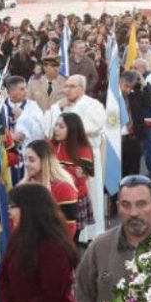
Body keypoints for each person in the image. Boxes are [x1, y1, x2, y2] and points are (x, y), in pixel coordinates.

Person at [43, 75, 105, 243]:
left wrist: (70, 117)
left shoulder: (93, 105)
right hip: (60, 155)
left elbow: (95, 125)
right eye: (66, 86)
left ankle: (90, 234)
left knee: (88, 193)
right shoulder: (59, 106)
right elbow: (48, 128)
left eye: (71, 86)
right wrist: (58, 110)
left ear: (81, 88)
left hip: (84, 154)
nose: (67, 90)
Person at [50, 112, 95, 241]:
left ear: (72, 130)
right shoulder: (50, 145)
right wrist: (68, 170)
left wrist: (57, 170)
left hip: (74, 199)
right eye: (56, 125)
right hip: (52, 198)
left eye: (61, 126)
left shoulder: (83, 149)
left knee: (71, 240)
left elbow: (79, 178)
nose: (56, 129)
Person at [23, 140, 79, 239]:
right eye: (25, 159)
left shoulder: (63, 188)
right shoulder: (26, 185)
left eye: (31, 160)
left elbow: (69, 228)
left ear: (44, 161)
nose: (26, 164)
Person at [0, 75, 45, 183]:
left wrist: (23, 116)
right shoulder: (0, 107)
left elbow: (41, 131)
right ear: (11, 91)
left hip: (27, 153)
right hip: (6, 155)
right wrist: (9, 138)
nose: (26, 91)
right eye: (22, 89)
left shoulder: (32, 106)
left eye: (25, 88)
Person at [131, 58, 151, 180]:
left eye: (135, 68)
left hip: (150, 117)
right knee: (145, 145)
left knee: (150, 146)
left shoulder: (150, 78)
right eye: (132, 68)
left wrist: (142, 82)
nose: (133, 70)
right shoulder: (139, 78)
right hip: (142, 116)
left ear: (143, 68)